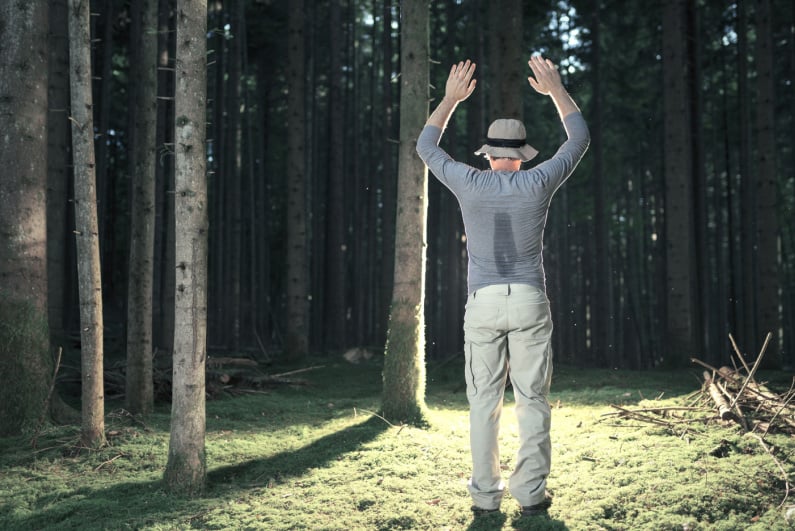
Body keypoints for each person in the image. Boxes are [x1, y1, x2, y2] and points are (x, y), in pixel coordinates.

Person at [416, 55, 589, 517]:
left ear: (489, 155)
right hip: (530, 298)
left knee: (483, 403)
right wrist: (555, 90)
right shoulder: (538, 181)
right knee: (533, 400)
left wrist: (450, 99)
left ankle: (485, 499)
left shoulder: (469, 181)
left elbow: (427, 147)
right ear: (522, 155)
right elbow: (579, 139)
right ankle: (531, 495)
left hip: (484, 303)